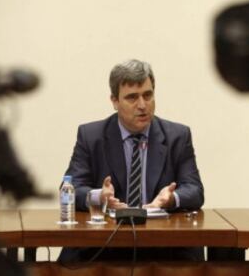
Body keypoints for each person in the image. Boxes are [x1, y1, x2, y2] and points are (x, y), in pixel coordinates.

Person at [58, 59, 204, 262]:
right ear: (115, 101)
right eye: (132, 97)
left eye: (148, 95)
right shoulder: (91, 136)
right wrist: (99, 196)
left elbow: (195, 190)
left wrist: (170, 199)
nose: (142, 105)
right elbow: (70, 187)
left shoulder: (177, 136)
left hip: (162, 244)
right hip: (106, 244)